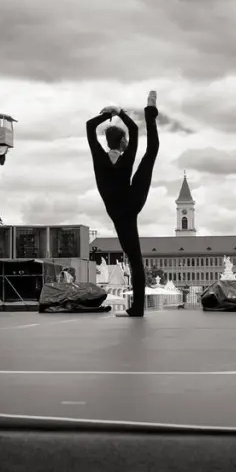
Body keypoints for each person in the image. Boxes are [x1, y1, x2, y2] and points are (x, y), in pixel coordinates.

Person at [86, 91, 159, 317]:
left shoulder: (99, 156)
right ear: (123, 141)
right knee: (151, 152)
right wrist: (119, 113)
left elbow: (89, 127)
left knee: (134, 257)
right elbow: (135, 131)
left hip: (119, 212)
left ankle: (136, 308)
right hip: (132, 199)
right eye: (126, 139)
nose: (128, 141)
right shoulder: (127, 157)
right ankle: (150, 112)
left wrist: (107, 115)